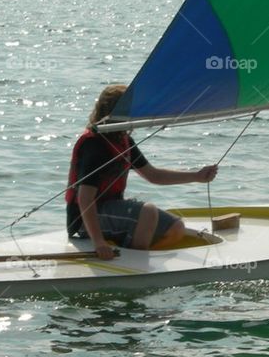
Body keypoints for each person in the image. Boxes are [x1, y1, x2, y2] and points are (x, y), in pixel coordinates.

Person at [65, 84, 218, 260]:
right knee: (148, 212)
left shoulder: (123, 140)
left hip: (110, 212)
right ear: (114, 112)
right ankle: (136, 262)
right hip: (83, 221)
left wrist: (196, 176)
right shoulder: (95, 145)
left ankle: (135, 252)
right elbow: (84, 199)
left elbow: (153, 175)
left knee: (176, 229)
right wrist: (98, 242)